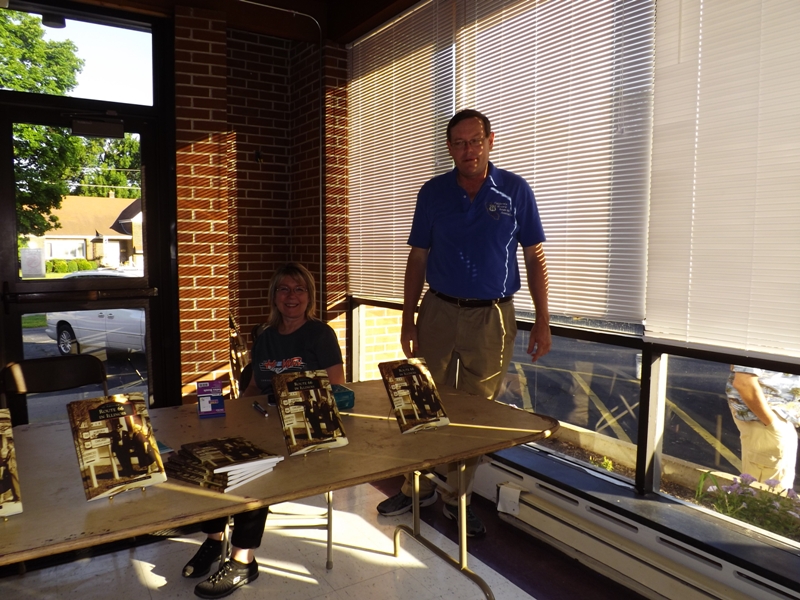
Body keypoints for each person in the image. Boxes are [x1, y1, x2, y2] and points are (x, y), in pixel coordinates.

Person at [376, 109, 552, 536]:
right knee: (422, 404)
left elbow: (535, 256)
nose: (468, 150)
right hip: (437, 310)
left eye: (475, 140)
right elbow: (417, 257)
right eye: (459, 142)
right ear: (449, 147)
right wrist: (408, 318)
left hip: (493, 318)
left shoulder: (515, 190)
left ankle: (458, 500)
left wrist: (543, 319)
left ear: (490, 141)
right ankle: (416, 488)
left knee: (475, 414)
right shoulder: (433, 192)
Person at [183, 262, 344, 600]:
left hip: (306, 430)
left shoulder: (320, 334)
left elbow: (337, 389)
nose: (291, 296)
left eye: (299, 289)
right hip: (266, 423)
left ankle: (243, 560)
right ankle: (214, 539)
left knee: (254, 470)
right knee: (213, 455)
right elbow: (256, 387)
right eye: (284, 289)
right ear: (274, 296)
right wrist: (232, 416)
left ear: (310, 296)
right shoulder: (266, 338)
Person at [726, 366, 800, 491]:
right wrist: (772, 422)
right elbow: (744, 382)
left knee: (774, 485)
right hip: (767, 418)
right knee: (770, 491)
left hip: (775, 418)